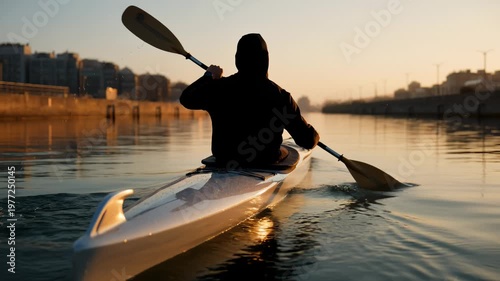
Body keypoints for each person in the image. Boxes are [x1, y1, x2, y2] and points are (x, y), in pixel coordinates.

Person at [180, 33, 319, 169]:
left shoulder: (218, 88)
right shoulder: (280, 96)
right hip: (265, 162)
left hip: (225, 160)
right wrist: (315, 135)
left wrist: (209, 76)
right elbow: (307, 141)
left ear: (237, 59)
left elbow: (186, 99)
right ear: (266, 60)